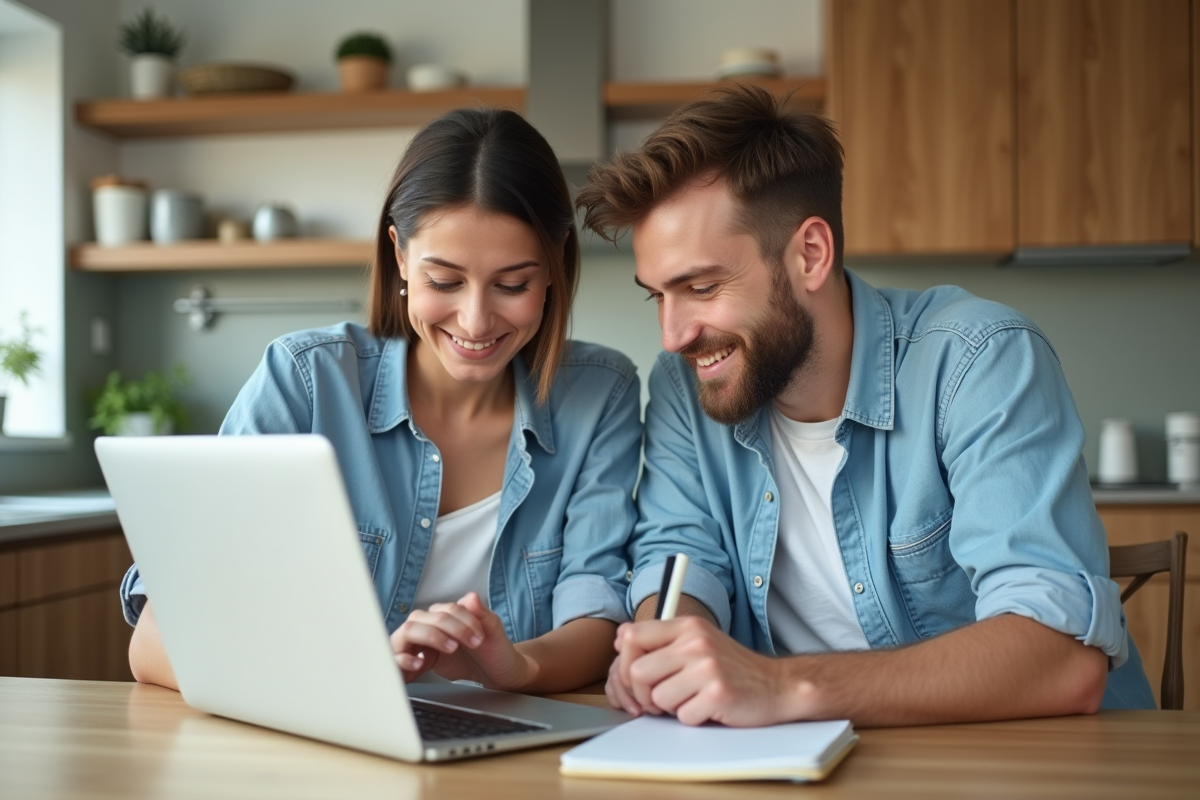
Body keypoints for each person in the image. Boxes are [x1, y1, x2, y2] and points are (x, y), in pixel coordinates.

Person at [575, 84, 1155, 728]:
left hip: (1022, 763)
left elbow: (1061, 657)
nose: (673, 333)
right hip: (802, 762)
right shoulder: (689, 385)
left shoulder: (978, 359)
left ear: (810, 255)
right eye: (656, 295)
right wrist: (673, 644)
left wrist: (778, 686)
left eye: (702, 287)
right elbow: (682, 557)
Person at [120, 108, 642, 695]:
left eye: (513, 284)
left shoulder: (602, 394)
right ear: (399, 255)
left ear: (553, 267)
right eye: (444, 281)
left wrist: (516, 668)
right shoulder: (305, 381)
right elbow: (158, 638)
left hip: (510, 738)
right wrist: (355, 682)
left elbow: (595, 615)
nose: (475, 320)